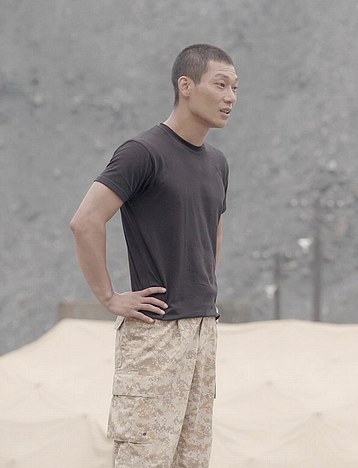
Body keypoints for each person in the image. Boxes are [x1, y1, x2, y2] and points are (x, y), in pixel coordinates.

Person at [69, 44, 238, 467]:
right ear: (186, 86)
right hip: (156, 332)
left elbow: (212, 230)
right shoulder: (142, 152)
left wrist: (204, 288)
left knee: (191, 460)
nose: (230, 97)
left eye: (235, 88)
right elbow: (85, 221)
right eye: (220, 85)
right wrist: (109, 297)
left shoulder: (217, 163)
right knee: (143, 458)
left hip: (202, 329)